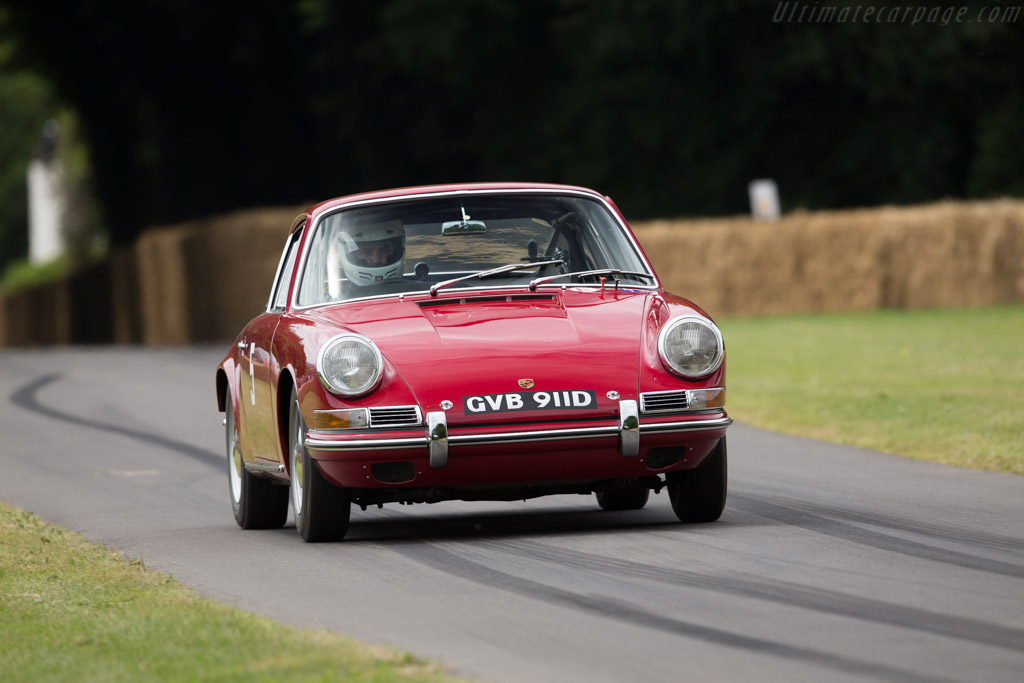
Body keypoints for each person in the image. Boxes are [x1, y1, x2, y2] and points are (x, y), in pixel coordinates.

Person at [327, 220, 406, 296]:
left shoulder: (415, 289)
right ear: (351, 255)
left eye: (384, 251)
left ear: (397, 251)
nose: (376, 260)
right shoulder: (333, 298)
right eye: (366, 252)